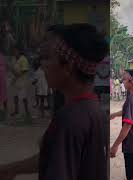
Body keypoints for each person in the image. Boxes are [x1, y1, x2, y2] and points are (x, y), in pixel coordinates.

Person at [0, 23, 109, 180]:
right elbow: (54, 159)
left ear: (68, 67)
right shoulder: (92, 109)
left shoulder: (69, 119)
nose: (42, 65)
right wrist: (12, 169)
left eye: (47, 58)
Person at [10, 46, 31, 122]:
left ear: (19, 51)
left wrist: (15, 77)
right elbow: (13, 69)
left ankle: (26, 112)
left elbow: (24, 71)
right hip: (16, 82)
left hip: (22, 81)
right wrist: (12, 71)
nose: (14, 53)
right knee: (15, 96)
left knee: (23, 97)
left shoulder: (23, 59)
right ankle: (16, 110)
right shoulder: (14, 59)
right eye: (14, 51)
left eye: (16, 51)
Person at [0, 51, 7, 120]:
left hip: (1, 79)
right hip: (2, 79)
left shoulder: (1, 56)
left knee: (3, 95)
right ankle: (4, 111)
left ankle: (4, 111)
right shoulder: (2, 56)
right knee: (3, 95)